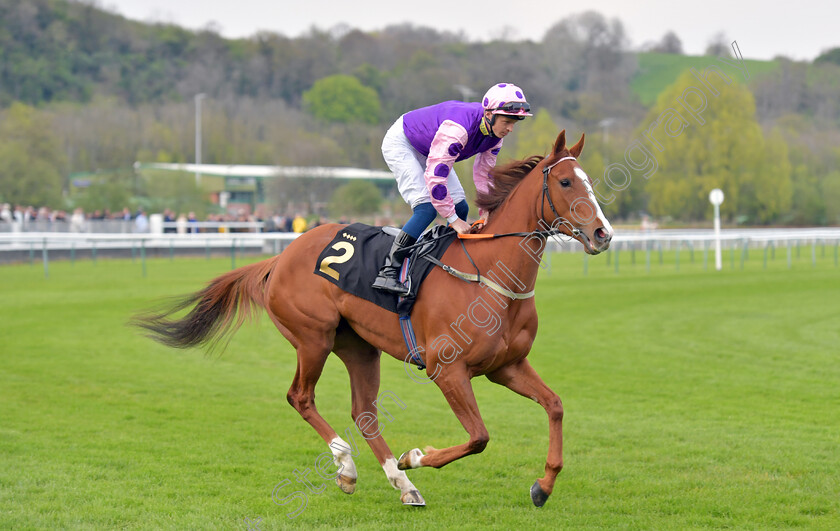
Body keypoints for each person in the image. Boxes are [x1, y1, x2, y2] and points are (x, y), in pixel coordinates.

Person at [372, 82, 533, 295]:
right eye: (507, 121)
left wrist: (486, 214)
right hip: (404, 142)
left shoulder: (495, 137)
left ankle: (441, 266)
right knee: (427, 209)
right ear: (489, 114)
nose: (510, 129)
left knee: (461, 208)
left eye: (515, 123)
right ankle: (388, 271)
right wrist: (453, 221)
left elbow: (484, 177)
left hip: (430, 146)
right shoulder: (457, 130)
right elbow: (435, 178)